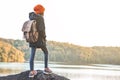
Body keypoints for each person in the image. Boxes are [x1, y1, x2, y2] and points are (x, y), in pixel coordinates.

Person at [28, 4, 52, 77]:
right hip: (39, 39)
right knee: (46, 52)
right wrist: (44, 37)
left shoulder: (31, 17)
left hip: (32, 38)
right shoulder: (40, 18)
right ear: (41, 11)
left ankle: (31, 71)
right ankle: (46, 68)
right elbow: (42, 30)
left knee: (32, 55)